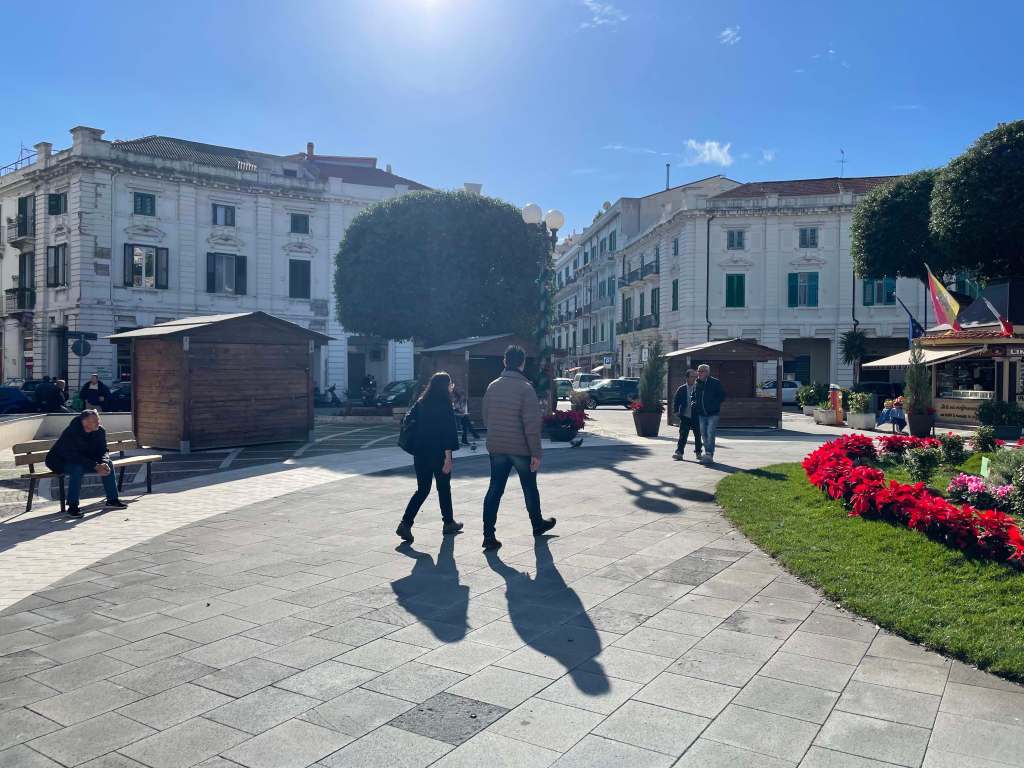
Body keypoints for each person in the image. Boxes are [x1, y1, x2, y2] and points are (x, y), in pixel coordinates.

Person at [480, 345, 556, 551]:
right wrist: (536, 452)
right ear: (522, 363)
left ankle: (488, 534)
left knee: (494, 489)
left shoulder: (492, 386)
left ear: (504, 362)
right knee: (529, 488)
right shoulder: (526, 388)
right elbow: (532, 425)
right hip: (520, 448)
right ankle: (537, 524)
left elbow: (486, 417)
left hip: (496, 447)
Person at [396, 372, 464, 543]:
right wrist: (448, 458)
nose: (451, 386)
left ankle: (405, 523)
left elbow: (407, 419)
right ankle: (448, 523)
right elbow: (448, 432)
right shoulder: (445, 404)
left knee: (422, 489)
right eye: (450, 383)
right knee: (443, 488)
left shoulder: (421, 402)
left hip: (420, 453)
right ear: (444, 386)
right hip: (439, 453)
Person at [45, 410, 127, 517]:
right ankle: (73, 507)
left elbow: (103, 450)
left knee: (109, 464)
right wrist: (95, 465)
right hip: (60, 462)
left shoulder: (100, 431)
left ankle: (112, 500)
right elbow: (73, 456)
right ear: (85, 422)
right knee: (77, 469)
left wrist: (103, 462)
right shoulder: (71, 432)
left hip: (82, 461)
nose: (98, 423)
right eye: (95, 421)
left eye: (98, 419)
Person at [693, 363, 726, 464]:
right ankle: (708, 453)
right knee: (703, 434)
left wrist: (714, 405)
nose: (699, 373)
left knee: (710, 433)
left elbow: (722, 396)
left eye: (701, 371)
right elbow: (693, 395)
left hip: (713, 413)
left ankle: (709, 454)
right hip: (701, 414)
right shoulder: (697, 383)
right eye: (698, 371)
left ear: (707, 372)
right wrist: (693, 403)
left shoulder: (715, 382)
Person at [672, 368, 702, 461]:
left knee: (698, 435)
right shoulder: (682, 389)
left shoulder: (699, 388)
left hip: (696, 416)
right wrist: (676, 411)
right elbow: (676, 401)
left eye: (695, 377)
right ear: (687, 378)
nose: (694, 378)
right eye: (692, 376)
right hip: (685, 416)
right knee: (683, 435)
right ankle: (679, 453)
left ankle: (698, 452)